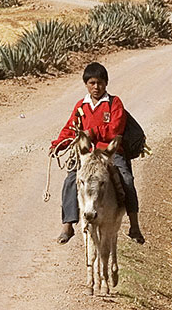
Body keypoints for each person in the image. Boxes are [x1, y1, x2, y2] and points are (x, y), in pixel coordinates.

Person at [50, 61, 144, 246]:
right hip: (87, 154)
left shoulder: (114, 103)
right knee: (71, 179)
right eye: (92, 83)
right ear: (86, 84)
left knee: (126, 179)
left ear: (106, 83)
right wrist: (58, 144)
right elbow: (71, 128)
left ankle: (134, 224)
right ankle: (68, 224)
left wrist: (91, 132)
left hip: (110, 152)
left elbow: (115, 129)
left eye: (100, 83)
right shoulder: (81, 106)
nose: (96, 87)